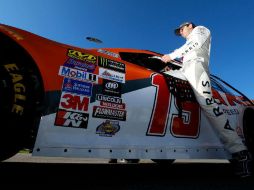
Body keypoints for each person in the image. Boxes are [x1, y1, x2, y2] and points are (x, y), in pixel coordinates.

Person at [161, 21, 252, 177]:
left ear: (189, 25)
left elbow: (195, 44)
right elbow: (188, 50)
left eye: (181, 29)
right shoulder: (188, 42)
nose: (181, 33)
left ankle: (240, 152)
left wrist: (171, 55)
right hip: (186, 69)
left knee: (208, 104)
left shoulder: (201, 30)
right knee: (163, 77)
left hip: (197, 68)